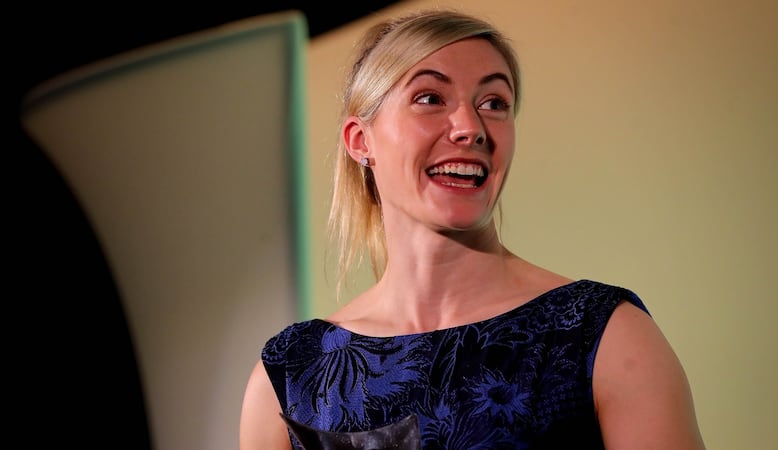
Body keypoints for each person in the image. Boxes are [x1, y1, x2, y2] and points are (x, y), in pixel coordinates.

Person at [240, 8, 706, 450]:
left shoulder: (604, 335)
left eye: (494, 102)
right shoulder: (287, 375)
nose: (469, 127)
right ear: (361, 141)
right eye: (429, 98)